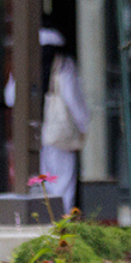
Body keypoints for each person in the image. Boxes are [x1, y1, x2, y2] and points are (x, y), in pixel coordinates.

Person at [36, 28, 87, 214]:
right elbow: (74, 101)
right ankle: (62, 231)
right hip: (60, 136)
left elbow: (10, 97)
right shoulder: (64, 66)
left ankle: (48, 227)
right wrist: (83, 126)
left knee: (45, 186)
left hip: (37, 136)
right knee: (64, 185)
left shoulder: (27, 66)